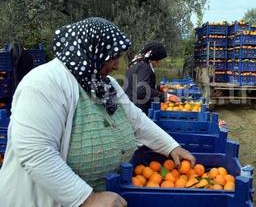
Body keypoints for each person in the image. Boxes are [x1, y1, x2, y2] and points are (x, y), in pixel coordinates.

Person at [0, 17, 195, 207]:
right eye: (113, 57)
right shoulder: (44, 83)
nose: (117, 65)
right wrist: (87, 199)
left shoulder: (102, 83)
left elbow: (136, 120)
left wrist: (171, 147)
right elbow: (35, 151)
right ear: (91, 49)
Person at [124, 42, 177, 113]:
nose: (159, 63)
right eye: (159, 60)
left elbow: (140, 84)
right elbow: (142, 90)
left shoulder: (137, 64)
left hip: (131, 106)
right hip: (137, 110)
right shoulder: (144, 67)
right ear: (154, 58)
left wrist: (157, 88)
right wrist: (167, 97)